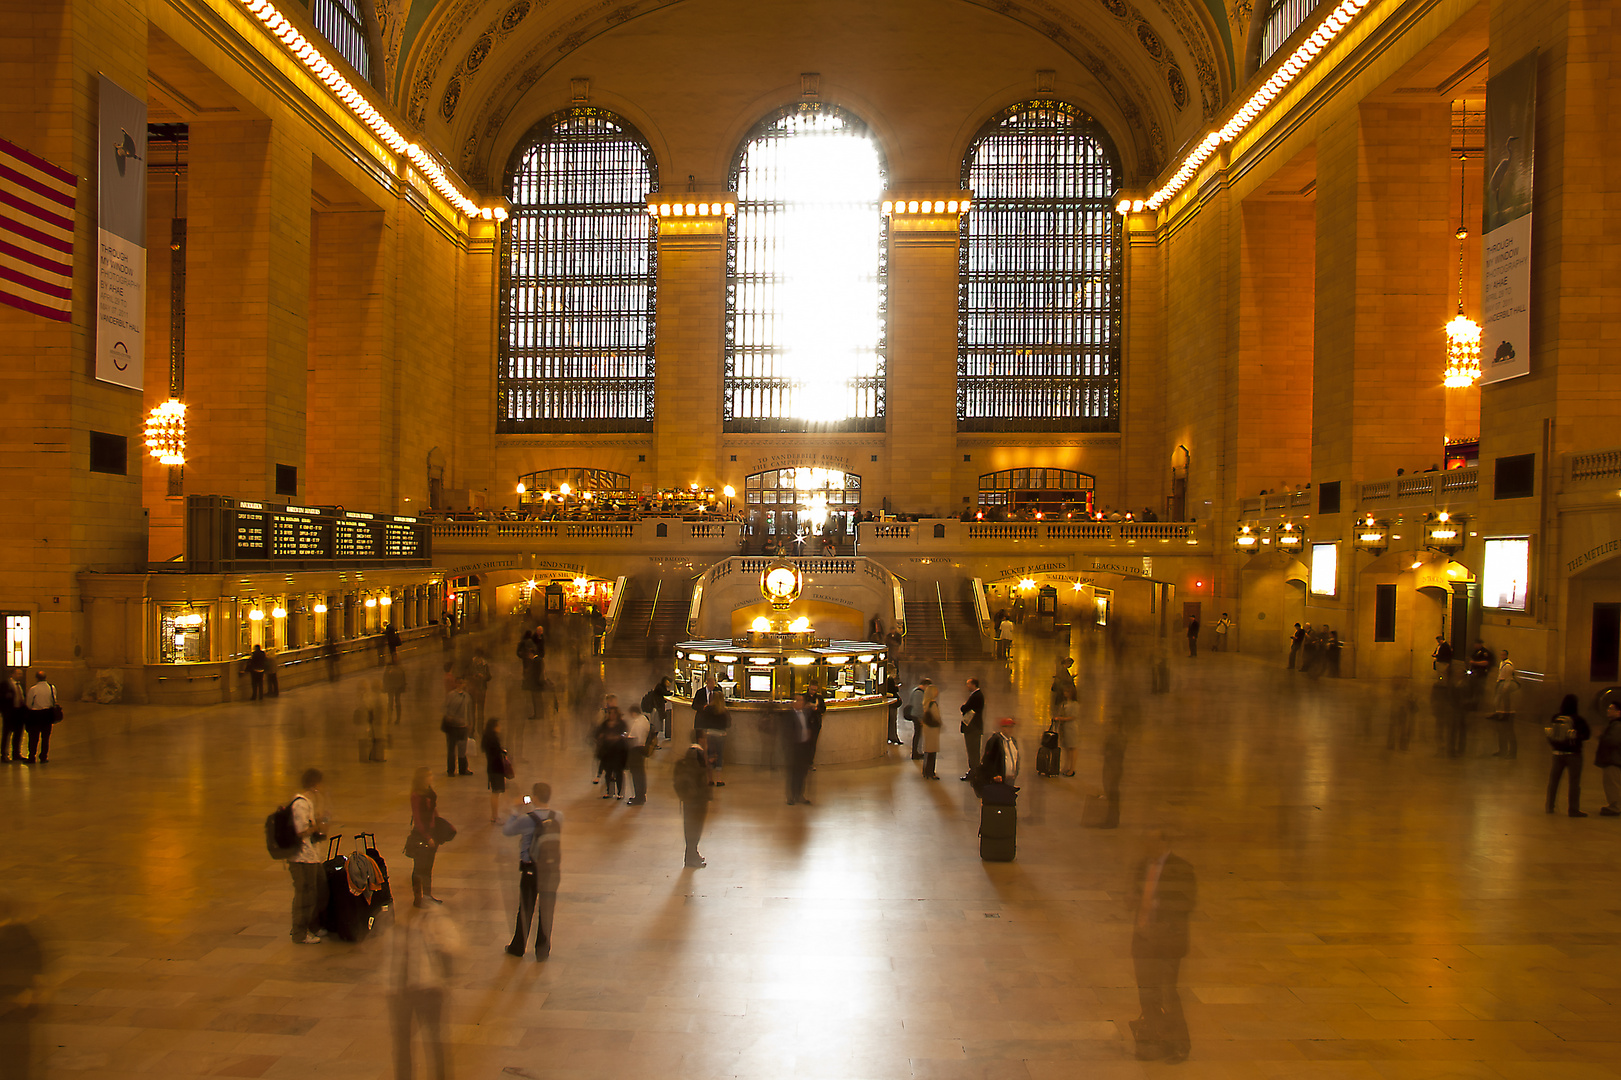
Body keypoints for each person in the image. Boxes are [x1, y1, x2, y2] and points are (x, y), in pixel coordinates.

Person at [1129, 832, 1196, 1063]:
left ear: (1165, 842)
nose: (1146, 843)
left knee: (1168, 993)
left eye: (1152, 839)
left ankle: (1179, 1044)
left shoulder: (1181, 868)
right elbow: (1135, 894)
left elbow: (1187, 902)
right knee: (1147, 993)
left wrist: (1158, 904)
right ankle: (1155, 1041)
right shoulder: (1143, 865)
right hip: (1143, 940)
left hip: (1167, 942)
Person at [389, 902, 458, 1080]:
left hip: (428, 991)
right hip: (402, 992)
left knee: (434, 1043)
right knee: (403, 1046)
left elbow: (453, 945)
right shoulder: (396, 918)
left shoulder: (434, 916)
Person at [503, 782, 562, 959]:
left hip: (531, 869)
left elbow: (507, 831)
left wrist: (515, 811)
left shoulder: (526, 819)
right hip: (551, 870)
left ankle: (518, 947)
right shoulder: (558, 816)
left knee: (526, 908)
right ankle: (543, 950)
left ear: (534, 797)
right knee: (547, 909)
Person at [287, 768, 330, 943]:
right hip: (301, 858)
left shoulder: (308, 803)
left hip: (312, 856)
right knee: (305, 895)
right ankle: (299, 932)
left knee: (319, 889)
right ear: (314, 784)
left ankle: (312, 926)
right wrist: (316, 827)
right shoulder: (300, 804)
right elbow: (300, 831)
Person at [1546, 694, 1591, 817]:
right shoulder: (1578, 720)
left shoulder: (1555, 717)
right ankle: (1573, 809)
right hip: (1574, 755)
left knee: (1554, 781)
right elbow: (1586, 735)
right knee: (1574, 782)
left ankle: (1549, 806)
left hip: (1557, 754)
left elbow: (1551, 734)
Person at [407, 767, 446, 906]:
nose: (431, 777)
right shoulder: (416, 796)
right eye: (428, 775)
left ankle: (428, 896)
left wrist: (439, 825)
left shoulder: (430, 792)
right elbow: (417, 819)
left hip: (432, 832)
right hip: (421, 835)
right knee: (419, 867)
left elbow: (433, 810)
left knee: (428, 867)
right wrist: (427, 836)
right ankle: (418, 898)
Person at [673, 744, 712, 864]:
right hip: (698, 803)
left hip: (687, 802)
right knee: (695, 831)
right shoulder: (699, 769)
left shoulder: (682, 765)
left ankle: (692, 854)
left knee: (689, 830)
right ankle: (691, 857)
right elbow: (705, 788)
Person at [783, 696, 815, 804]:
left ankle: (800, 794)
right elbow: (786, 732)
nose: (800, 702)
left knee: (802, 772)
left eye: (802, 700)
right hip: (794, 747)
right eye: (798, 700)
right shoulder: (789, 715)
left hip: (804, 746)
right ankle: (791, 796)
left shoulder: (805, 713)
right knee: (793, 773)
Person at [22, 671, 57, 765]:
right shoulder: (51, 687)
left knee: (33, 737)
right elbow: (54, 700)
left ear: (36, 678)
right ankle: (43, 757)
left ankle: (32, 756)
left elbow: (28, 704)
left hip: (36, 715)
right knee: (45, 737)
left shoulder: (33, 689)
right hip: (47, 714)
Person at [595, 704, 628, 800]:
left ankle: (619, 792)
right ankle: (609, 791)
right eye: (610, 713)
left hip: (618, 751)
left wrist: (617, 737)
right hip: (607, 751)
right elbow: (598, 734)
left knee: (618, 772)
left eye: (614, 713)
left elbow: (624, 734)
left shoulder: (621, 724)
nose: (612, 715)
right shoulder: (605, 724)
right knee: (608, 772)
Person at [1052, 658, 1079, 777]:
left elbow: (1073, 716)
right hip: (1065, 728)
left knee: (1072, 748)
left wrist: (1060, 719)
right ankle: (1066, 766)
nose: (1065, 694)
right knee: (1067, 748)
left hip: (1071, 728)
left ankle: (1072, 768)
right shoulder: (1064, 703)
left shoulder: (1074, 704)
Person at [441, 675, 472, 777]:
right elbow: (445, 708)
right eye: (459, 683)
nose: (461, 685)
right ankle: (451, 770)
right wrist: (448, 717)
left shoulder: (467, 696)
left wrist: (470, 723)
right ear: (456, 683)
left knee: (462, 749)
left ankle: (462, 769)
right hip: (452, 726)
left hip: (463, 726)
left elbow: (469, 711)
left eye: (462, 683)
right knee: (451, 749)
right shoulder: (451, 695)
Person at [1595, 700, 1621, 817]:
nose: (1608, 710)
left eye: (1611, 709)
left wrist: (1601, 736)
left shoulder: (1617, 726)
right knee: (1613, 784)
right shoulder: (1614, 724)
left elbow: (1613, 741)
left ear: (1618, 712)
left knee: (1612, 784)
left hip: (1613, 760)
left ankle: (1615, 807)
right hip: (1613, 759)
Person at [1492, 650, 1520, 757]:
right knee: (1501, 730)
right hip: (1502, 709)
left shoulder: (1508, 667)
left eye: (1503, 654)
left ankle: (1512, 752)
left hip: (1508, 710)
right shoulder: (1502, 664)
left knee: (1509, 730)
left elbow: (1507, 682)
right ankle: (1502, 749)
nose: (1501, 656)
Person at [978, 717, 1020, 786]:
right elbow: (988, 760)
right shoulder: (995, 741)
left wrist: (1016, 771)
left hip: (1011, 778)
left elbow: (1016, 757)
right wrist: (994, 774)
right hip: (998, 780)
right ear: (1002, 728)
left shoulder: (1013, 741)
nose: (1010, 729)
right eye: (1008, 727)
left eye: (1012, 727)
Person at [624, 703, 651, 805]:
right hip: (642, 749)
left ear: (633, 713)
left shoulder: (637, 722)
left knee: (636, 774)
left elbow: (633, 737)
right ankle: (641, 795)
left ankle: (638, 797)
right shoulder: (644, 719)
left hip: (635, 750)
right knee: (641, 774)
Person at [482, 717, 507, 823]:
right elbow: (496, 752)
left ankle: (494, 815)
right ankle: (494, 815)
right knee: (496, 792)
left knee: (495, 792)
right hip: (496, 768)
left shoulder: (487, 738)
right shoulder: (493, 739)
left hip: (491, 767)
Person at [959, 677, 985, 782]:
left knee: (972, 750)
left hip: (972, 728)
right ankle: (974, 771)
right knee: (974, 750)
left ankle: (974, 772)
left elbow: (964, 708)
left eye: (968, 684)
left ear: (974, 685)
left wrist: (963, 707)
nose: (967, 686)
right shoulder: (977, 695)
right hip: (975, 727)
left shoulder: (976, 696)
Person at [466, 647, 492, 734]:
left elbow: (489, 676)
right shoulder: (471, 663)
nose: (478, 659)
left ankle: (480, 729)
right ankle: (472, 729)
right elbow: (466, 675)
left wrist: (483, 677)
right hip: (473, 689)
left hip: (481, 690)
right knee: (472, 710)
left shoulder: (485, 664)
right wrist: (473, 677)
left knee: (480, 711)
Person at [2, 668, 26, 763]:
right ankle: (4, 754)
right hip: (9, 713)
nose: (20, 675)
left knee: (18, 733)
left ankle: (16, 753)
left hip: (19, 713)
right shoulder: (5, 684)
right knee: (6, 734)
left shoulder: (21, 685)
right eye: (18, 673)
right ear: (12, 674)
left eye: (21, 674)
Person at [918, 683, 942, 779]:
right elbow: (936, 717)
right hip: (933, 730)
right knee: (932, 751)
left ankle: (925, 771)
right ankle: (930, 772)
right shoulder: (933, 704)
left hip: (927, 728)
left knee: (927, 750)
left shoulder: (926, 703)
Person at [907, 677, 930, 760]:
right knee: (917, 734)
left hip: (916, 715)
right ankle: (915, 752)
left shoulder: (915, 691)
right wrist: (921, 718)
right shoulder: (919, 693)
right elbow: (918, 707)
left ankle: (917, 751)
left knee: (918, 734)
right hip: (917, 716)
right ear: (926, 685)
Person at [383, 656, 407, 725]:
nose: (395, 659)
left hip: (397, 687)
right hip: (391, 687)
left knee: (397, 702)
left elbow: (403, 677)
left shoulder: (399, 667)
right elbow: (385, 677)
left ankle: (397, 719)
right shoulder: (391, 667)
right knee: (390, 702)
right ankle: (390, 718)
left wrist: (403, 686)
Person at [882, 672, 902, 746]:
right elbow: (893, 689)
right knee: (893, 720)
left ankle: (889, 737)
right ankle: (893, 737)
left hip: (888, 701)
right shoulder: (889, 679)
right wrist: (897, 688)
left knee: (889, 720)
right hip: (892, 703)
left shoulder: (883, 679)